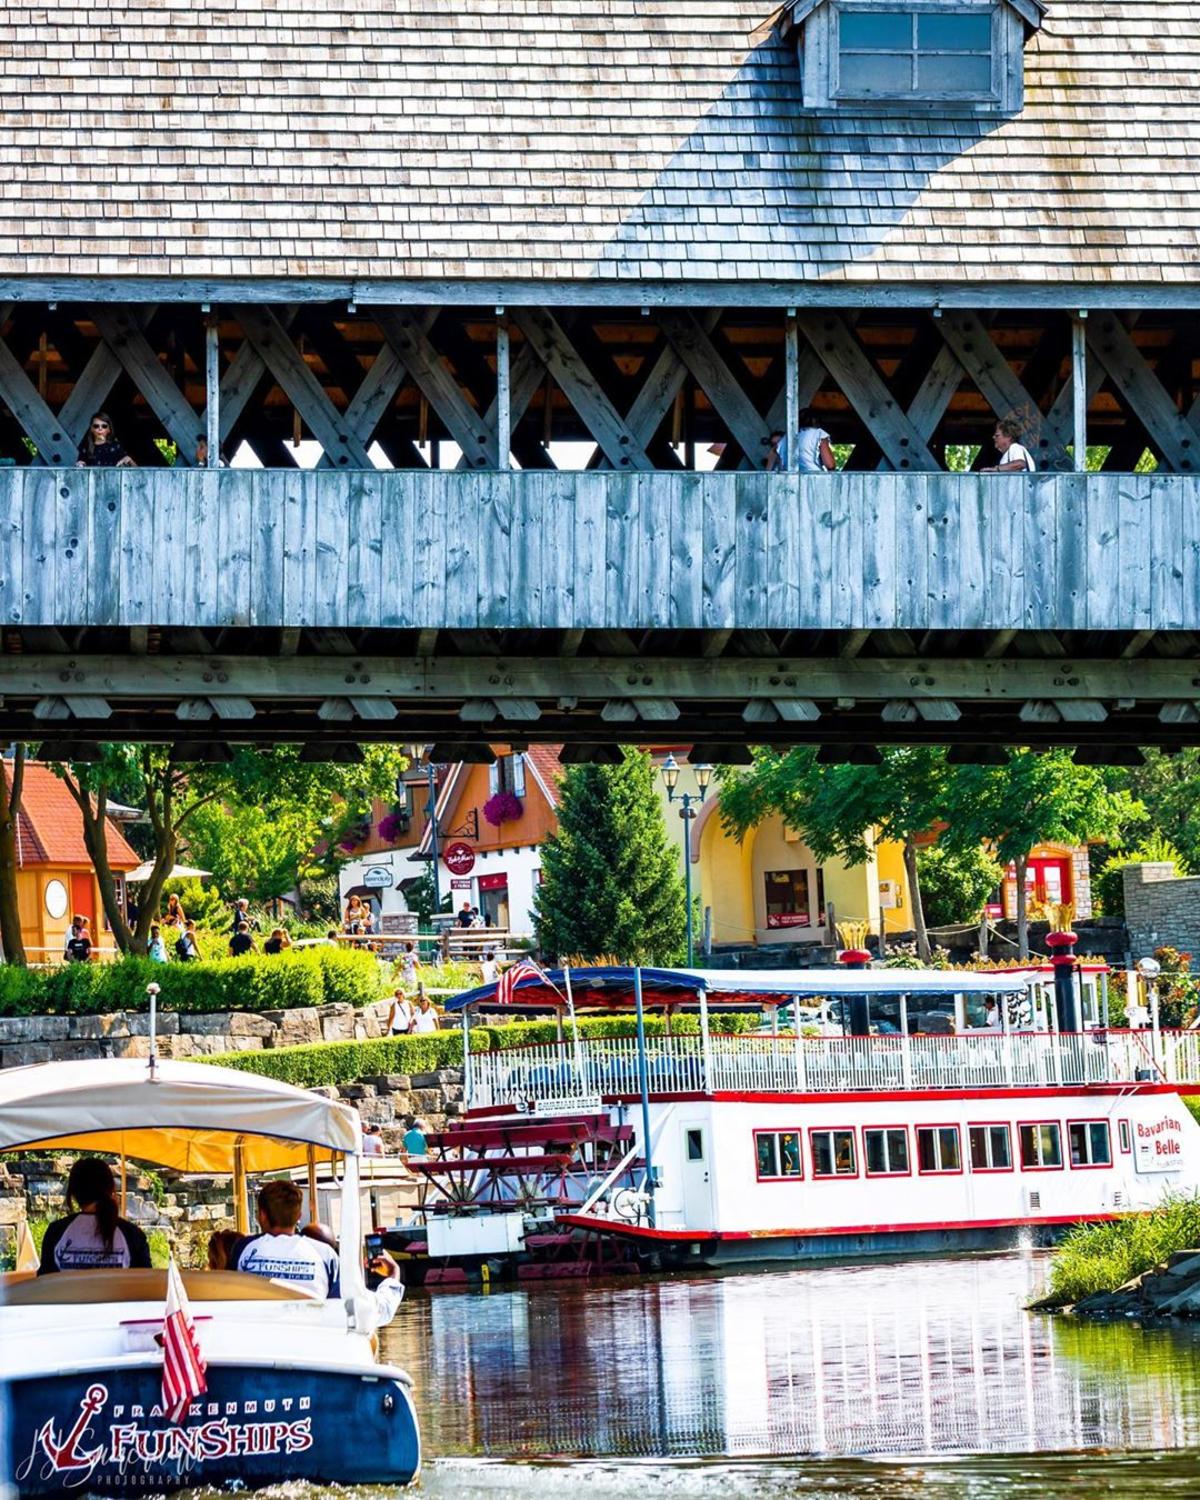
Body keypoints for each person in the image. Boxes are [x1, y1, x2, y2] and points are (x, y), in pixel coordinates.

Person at [38, 1158, 152, 1274]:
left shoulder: (56, 1232)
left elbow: (44, 1285)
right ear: (110, 1189)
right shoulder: (132, 1235)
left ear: (73, 1193)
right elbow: (146, 1285)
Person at [230, 1181, 340, 1298]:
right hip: (310, 1316)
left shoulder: (243, 1249)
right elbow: (339, 1305)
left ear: (262, 1216)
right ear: (299, 1216)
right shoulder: (325, 1255)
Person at [766, 410, 836, 473]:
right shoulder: (819, 434)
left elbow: (780, 465)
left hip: (789, 480)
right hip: (813, 480)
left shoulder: (786, 438)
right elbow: (830, 464)